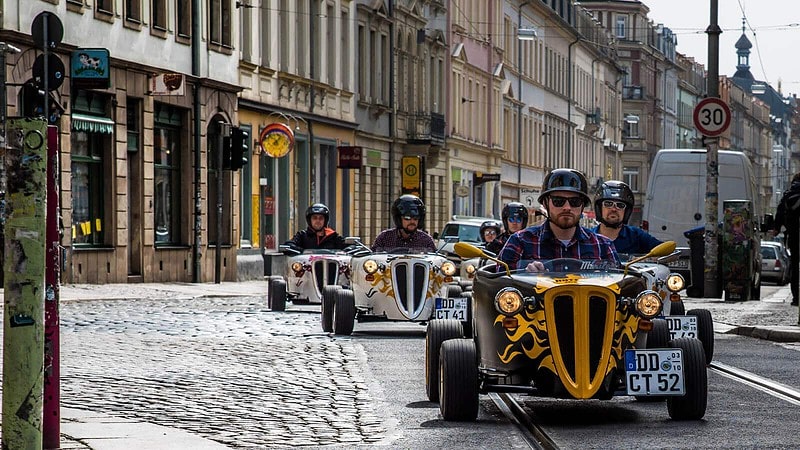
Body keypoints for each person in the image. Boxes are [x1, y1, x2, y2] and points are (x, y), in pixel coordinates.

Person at [497, 168, 620, 271]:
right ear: (545, 203)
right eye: (558, 201)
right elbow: (499, 284)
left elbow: (620, 284)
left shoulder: (603, 245)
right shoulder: (520, 242)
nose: (567, 207)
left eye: (575, 202)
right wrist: (524, 276)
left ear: (583, 205)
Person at [591, 180, 663, 255]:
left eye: (620, 205)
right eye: (608, 204)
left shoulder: (636, 236)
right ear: (599, 208)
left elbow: (666, 251)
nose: (614, 209)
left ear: (626, 211)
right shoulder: (588, 238)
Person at [371, 194, 436, 253]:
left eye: (416, 218)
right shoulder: (384, 237)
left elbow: (434, 259)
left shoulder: (426, 240)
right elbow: (373, 257)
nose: (412, 221)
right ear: (398, 219)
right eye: (407, 218)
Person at [772, 172, 800, 306]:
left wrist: (776, 228)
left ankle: (796, 297)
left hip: (794, 235)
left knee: (795, 267)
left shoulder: (789, 195)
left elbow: (780, 212)